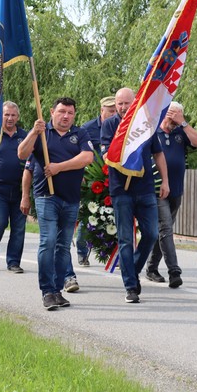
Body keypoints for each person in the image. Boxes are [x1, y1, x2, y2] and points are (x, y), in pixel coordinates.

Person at [18, 97, 94, 311]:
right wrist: (34, 133)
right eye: (61, 112)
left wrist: (59, 167)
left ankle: (57, 290)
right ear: (52, 112)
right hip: (46, 196)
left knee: (63, 246)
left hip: (71, 199)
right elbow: (22, 153)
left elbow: (87, 157)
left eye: (70, 113)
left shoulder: (80, 134)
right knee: (48, 241)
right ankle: (47, 291)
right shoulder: (42, 133)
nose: (66, 116)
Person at [100, 87, 171, 303]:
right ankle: (130, 286)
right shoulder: (110, 125)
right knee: (125, 239)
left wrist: (165, 181)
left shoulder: (146, 123)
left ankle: (132, 269)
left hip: (145, 188)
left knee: (151, 234)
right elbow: (106, 154)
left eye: (127, 103)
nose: (123, 107)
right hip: (121, 190)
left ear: (135, 103)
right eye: (120, 103)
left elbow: (158, 153)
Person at [146, 101, 197, 288]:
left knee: (164, 231)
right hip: (157, 188)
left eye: (177, 115)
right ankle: (174, 271)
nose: (173, 120)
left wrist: (183, 123)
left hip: (176, 189)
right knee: (166, 228)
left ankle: (151, 268)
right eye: (171, 115)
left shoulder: (181, 132)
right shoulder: (153, 132)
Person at [0, 101, 28, 273]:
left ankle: (14, 262)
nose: (10, 118)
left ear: (18, 117)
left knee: (19, 228)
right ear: (0, 116)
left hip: (20, 189)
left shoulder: (24, 136)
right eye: (6, 115)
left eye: (13, 115)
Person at [75, 96, 116, 266]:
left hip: (114, 176)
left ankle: (115, 255)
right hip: (92, 178)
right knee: (88, 216)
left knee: (115, 218)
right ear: (102, 110)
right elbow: (79, 152)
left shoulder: (120, 126)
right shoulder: (88, 128)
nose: (114, 114)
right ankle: (82, 252)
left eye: (115, 111)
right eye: (111, 111)